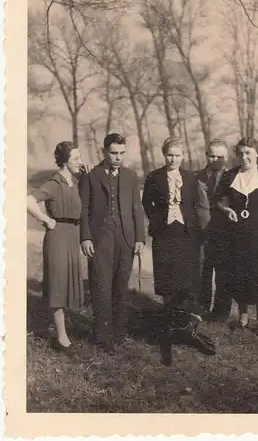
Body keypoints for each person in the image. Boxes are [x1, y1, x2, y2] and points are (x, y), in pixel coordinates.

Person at [142, 137, 214, 365]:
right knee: (168, 281)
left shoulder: (191, 178)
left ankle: (187, 327)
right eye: (170, 155)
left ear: (183, 156)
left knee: (187, 281)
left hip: (186, 236)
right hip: (165, 235)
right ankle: (168, 330)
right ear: (164, 155)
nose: (173, 159)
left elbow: (197, 206)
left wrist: (195, 227)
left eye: (178, 155)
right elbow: (147, 203)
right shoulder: (154, 177)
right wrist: (157, 221)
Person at [79, 133, 145, 354]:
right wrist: (86, 237)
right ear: (104, 152)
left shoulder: (131, 176)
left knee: (120, 288)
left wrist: (139, 238)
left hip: (126, 239)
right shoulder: (91, 176)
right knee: (101, 287)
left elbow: (137, 208)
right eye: (114, 153)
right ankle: (101, 336)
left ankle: (119, 333)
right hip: (100, 240)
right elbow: (84, 209)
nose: (118, 157)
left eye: (121, 153)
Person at [215, 137, 258, 335]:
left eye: (248, 153)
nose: (244, 157)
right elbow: (217, 201)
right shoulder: (229, 176)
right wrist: (227, 210)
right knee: (240, 273)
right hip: (237, 234)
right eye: (241, 153)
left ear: (257, 154)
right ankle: (243, 318)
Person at [27, 141, 85, 355]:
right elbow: (28, 201)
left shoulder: (75, 182)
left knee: (67, 282)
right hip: (57, 235)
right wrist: (45, 220)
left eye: (80, 157)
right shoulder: (54, 183)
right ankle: (61, 338)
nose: (81, 161)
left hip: (72, 236)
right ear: (64, 160)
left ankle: (64, 330)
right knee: (58, 285)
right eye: (76, 158)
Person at [196, 139, 232, 320]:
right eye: (212, 155)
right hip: (202, 231)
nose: (215, 159)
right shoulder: (196, 177)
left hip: (225, 232)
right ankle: (201, 309)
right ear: (206, 155)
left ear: (226, 157)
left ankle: (220, 313)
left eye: (220, 156)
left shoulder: (233, 177)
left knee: (224, 271)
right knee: (203, 269)